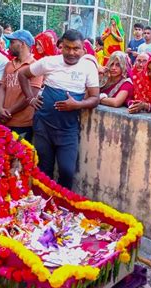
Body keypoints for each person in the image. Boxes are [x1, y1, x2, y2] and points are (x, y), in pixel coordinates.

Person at [18, 29, 99, 189]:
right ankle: (41, 208)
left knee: (67, 171)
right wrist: (30, 99)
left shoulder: (89, 67)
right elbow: (22, 74)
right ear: (61, 46)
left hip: (68, 129)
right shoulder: (49, 62)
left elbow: (95, 99)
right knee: (44, 170)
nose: (71, 52)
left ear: (83, 48)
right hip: (44, 126)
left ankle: (62, 209)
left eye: (76, 48)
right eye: (67, 48)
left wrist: (77, 105)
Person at [0, 29, 42, 142]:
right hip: (4, 119)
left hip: (23, 123)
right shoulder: (9, 64)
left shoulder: (35, 66)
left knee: (20, 157)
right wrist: (0, 109)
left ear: (22, 44)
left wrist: (9, 112)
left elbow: (31, 95)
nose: (9, 46)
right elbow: (2, 88)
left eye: (12, 42)